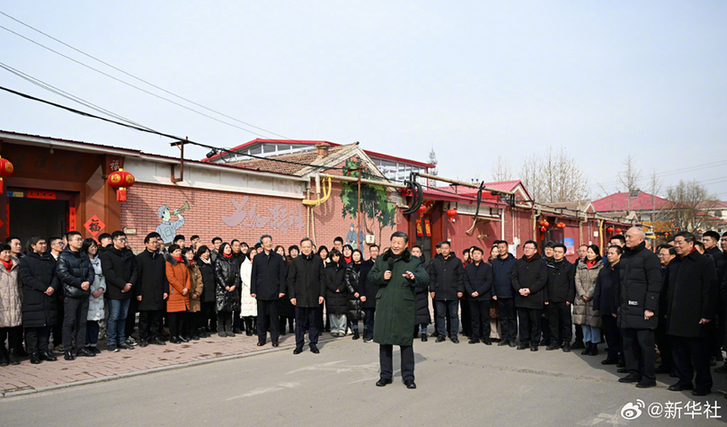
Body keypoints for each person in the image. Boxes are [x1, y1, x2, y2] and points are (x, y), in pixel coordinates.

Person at [368, 231, 429, 389]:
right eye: (393, 242)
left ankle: (408, 377)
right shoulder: (382, 259)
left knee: (405, 342)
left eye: (399, 243)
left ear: (405, 245)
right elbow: (371, 276)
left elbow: (425, 279)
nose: (395, 245)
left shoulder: (413, 261)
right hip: (385, 306)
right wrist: (382, 276)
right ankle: (385, 376)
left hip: (403, 307)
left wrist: (414, 277)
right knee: (384, 342)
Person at [664, 231, 718, 396]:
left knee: (699, 354)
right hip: (675, 316)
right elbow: (666, 289)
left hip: (696, 317)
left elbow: (710, 290)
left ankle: (703, 385)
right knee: (679, 352)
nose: (677, 246)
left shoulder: (704, 262)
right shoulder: (673, 264)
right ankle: (684, 380)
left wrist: (707, 314)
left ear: (691, 243)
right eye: (675, 243)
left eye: (680, 242)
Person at [617, 227, 662, 389]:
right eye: (626, 236)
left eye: (630, 237)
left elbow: (655, 284)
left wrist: (650, 307)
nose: (626, 239)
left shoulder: (649, 258)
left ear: (640, 240)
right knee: (629, 343)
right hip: (626, 308)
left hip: (643, 309)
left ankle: (649, 376)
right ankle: (633, 371)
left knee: (645, 345)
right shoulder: (625, 257)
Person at [18, 237, 59, 364]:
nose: (43, 246)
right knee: (32, 329)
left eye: (44, 243)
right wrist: (44, 288)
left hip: (48, 297)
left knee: (45, 327)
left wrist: (53, 286)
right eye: (40, 244)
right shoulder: (26, 260)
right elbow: (26, 278)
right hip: (33, 298)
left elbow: (57, 275)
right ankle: (33, 353)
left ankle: (44, 351)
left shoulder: (49, 258)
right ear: (33, 246)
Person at [56, 231, 94, 360]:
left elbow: (91, 271)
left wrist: (88, 282)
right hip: (71, 294)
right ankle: (67, 349)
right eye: (78, 239)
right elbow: (63, 274)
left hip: (84, 293)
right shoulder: (64, 257)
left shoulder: (84, 255)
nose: (80, 241)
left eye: (81, 239)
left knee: (82, 322)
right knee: (69, 322)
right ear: (70, 242)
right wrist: (80, 283)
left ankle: (81, 347)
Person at [100, 230, 137, 352]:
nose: (123, 242)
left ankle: (121, 340)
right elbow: (109, 273)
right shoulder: (107, 254)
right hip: (115, 290)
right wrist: (123, 284)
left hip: (128, 289)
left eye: (124, 239)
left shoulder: (128, 253)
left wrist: (130, 283)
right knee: (114, 316)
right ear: (114, 241)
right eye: (121, 239)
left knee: (123, 316)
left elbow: (134, 270)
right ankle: (111, 341)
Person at [288, 237, 326, 354]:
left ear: (312, 247)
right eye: (304, 247)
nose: (306, 249)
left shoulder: (318, 260)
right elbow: (291, 279)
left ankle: (313, 344)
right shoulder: (296, 261)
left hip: (314, 297)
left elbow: (322, 279)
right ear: (301, 248)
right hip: (299, 297)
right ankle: (299, 345)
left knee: (313, 322)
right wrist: (292, 296)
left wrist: (321, 294)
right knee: (299, 323)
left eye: (308, 247)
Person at [250, 235, 286, 347]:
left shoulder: (278, 257)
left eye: (270, 241)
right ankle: (262, 338)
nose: (268, 244)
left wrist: (281, 290)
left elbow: (282, 276)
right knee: (261, 318)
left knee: (274, 318)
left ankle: (275, 339)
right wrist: (253, 290)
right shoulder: (257, 258)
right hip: (261, 292)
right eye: (266, 242)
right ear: (262, 245)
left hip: (274, 292)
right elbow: (254, 275)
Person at [512, 240, 548, 351]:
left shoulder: (541, 263)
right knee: (523, 321)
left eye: (530, 248)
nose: (527, 250)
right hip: (521, 297)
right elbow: (514, 278)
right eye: (526, 247)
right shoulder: (519, 262)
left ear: (535, 250)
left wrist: (530, 290)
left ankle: (534, 342)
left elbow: (542, 279)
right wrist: (519, 289)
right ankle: (524, 341)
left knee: (535, 322)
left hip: (534, 297)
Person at [135, 233, 168, 347]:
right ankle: (144, 338)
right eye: (153, 242)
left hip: (158, 292)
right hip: (145, 292)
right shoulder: (140, 258)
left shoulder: (160, 258)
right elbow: (137, 277)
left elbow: (164, 276)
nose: (156, 244)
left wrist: (165, 290)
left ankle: (155, 336)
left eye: (157, 242)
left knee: (157, 317)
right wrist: (138, 292)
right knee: (144, 317)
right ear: (146, 244)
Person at [428, 241, 464, 344]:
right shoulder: (434, 261)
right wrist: (432, 289)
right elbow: (432, 277)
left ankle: (453, 335)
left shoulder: (457, 261)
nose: (444, 250)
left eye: (446, 248)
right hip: (439, 292)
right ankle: (441, 334)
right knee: (440, 315)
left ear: (450, 249)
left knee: (454, 315)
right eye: (442, 248)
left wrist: (460, 290)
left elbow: (460, 277)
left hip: (453, 292)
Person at [593, 245, 624, 366]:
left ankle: (622, 358)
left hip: (616, 307)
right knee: (609, 334)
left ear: (619, 255)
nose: (609, 255)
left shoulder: (621, 270)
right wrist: (597, 304)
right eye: (608, 253)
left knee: (619, 335)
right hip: (605, 306)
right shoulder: (603, 270)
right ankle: (612, 356)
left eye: (612, 253)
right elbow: (598, 288)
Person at [543, 243, 576, 352]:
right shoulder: (548, 266)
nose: (557, 254)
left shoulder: (569, 266)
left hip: (564, 299)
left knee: (566, 322)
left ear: (564, 253)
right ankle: (554, 341)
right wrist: (546, 298)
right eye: (555, 251)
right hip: (551, 299)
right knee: (553, 322)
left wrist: (569, 299)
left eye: (559, 252)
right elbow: (545, 283)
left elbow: (572, 284)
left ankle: (566, 341)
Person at [573, 244, 603, 355]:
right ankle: (587, 344)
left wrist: (589, 294)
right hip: (581, 299)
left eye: (591, 252)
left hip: (593, 298)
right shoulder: (580, 264)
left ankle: (594, 345)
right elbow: (577, 280)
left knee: (594, 323)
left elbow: (597, 283)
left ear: (596, 254)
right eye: (588, 252)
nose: (589, 254)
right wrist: (582, 293)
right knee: (584, 323)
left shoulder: (601, 266)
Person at [464, 246, 493, 345]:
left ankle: (486, 337)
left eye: (478, 254)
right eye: (474, 254)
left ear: (482, 255)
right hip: (471, 297)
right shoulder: (468, 267)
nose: (476, 255)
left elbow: (488, 282)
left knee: (485, 318)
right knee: (474, 318)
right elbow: (466, 281)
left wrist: (479, 292)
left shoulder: (487, 267)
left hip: (484, 297)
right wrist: (471, 292)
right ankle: (474, 336)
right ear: (471, 256)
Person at [654, 244, 676, 376]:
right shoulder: (661, 269)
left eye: (663, 254)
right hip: (659, 309)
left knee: (672, 342)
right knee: (661, 339)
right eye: (659, 254)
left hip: (670, 311)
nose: (660, 256)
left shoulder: (674, 270)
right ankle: (666, 363)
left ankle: (675, 366)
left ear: (673, 256)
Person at [0, 244, 22, 366]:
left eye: (9, 252)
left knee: (14, 332)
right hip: (2, 304)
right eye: (5, 252)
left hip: (15, 302)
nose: (8, 255)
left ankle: (12, 354)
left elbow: (19, 285)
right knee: (1, 333)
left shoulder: (16, 265)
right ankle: (2, 355)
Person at [492, 240, 517, 347]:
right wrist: (493, 293)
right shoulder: (495, 262)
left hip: (511, 294)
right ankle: (504, 337)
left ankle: (512, 338)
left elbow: (516, 278)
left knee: (512, 318)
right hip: (499, 294)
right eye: (499, 247)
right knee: (502, 318)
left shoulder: (514, 261)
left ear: (507, 248)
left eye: (502, 247)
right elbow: (492, 278)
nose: (500, 249)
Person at [82, 239, 105, 354]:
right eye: (91, 246)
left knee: (95, 320)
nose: (94, 248)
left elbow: (103, 276)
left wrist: (101, 288)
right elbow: (83, 278)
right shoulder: (83, 260)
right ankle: (85, 344)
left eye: (95, 246)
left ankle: (93, 344)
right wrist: (92, 290)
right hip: (88, 293)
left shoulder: (99, 261)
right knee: (87, 320)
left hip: (98, 294)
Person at [165, 244, 191, 343]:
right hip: (174, 293)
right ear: (171, 253)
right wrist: (181, 289)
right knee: (174, 317)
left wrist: (187, 288)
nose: (178, 252)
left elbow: (188, 276)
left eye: (179, 250)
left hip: (184, 293)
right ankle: (173, 336)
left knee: (182, 316)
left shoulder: (184, 262)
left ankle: (180, 334)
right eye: (176, 251)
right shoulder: (169, 263)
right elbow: (171, 278)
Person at [215, 243, 241, 337]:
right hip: (222, 289)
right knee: (222, 309)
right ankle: (221, 328)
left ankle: (229, 328)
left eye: (229, 247)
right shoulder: (219, 260)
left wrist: (235, 285)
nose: (228, 249)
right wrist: (225, 285)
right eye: (226, 248)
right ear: (222, 249)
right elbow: (218, 274)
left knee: (230, 309)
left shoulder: (234, 260)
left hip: (232, 289)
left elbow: (237, 274)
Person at [325, 249, 348, 337]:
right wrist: (334, 288)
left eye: (337, 256)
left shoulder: (344, 267)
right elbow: (326, 280)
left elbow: (346, 279)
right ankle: (334, 328)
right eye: (333, 256)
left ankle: (342, 328)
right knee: (332, 312)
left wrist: (341, 288)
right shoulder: (328, 268)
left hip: (342, 292)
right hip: (331, 293)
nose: (335, 258)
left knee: (342, 312)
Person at [410, 246, 430, 341]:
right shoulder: (408, 264)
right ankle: (414, 331)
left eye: (417, 251)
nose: (415, 253)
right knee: (412, 313)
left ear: (420, 253)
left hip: (421, 292)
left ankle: (424, 332)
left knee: (423, 313)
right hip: (410, 292)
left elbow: (426, 279)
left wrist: (417, 288)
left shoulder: (425, 265)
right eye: (413, 251)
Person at [195, 246, 215, 338]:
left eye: (208, 252)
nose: (207, 254)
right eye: (205, 252)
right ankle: (200, 328)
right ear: (200, 254)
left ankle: (206, 327)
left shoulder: (212, 263)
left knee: (208, 311)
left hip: (211, 290)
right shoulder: (198, 263)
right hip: (203, 290)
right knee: (201, 312)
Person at [345, 249, 365, 340]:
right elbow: (347, 281)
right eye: (354, 255)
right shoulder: (349, 267)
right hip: (352, 294)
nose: (356, 257)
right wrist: (353, 292)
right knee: (354, 314)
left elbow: (367, 280)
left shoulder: (365, 266)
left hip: (363, 293)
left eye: (358, 255)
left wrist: (362, 292)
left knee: (364, 314)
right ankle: (356, 332)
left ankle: (366, 331)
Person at [184, 247, 204, 340]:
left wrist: (197, 292)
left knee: (195, 315)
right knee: (187, 316)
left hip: (196, 295)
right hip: (187, 294)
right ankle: (186, 333)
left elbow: (200, 280)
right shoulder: (184, 266)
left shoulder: (196, 266)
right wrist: (190, 292)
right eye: (188, 253)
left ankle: (193, 332)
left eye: (192, 253)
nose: (191, 255)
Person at [276, 245, 295, 336]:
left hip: (287, 290)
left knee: (289, 310)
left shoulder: (287, 264)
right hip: (277, 290)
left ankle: (291, 327)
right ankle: (281, 329)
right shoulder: (274, 263)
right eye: (278, 251)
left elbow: (290, 277)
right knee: (281, 312)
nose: (280, 252)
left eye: (282, 250)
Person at [239, 251, 256, 336]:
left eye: (255, 252)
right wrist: (251, 286)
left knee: (256, 310)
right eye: (252, 252)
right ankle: (248, 328)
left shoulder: (258, 263)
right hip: (247, 289)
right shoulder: (244, 264)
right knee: (247, 310)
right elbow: (243, 276)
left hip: (257, 289)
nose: (254, 254)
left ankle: (255, 328)